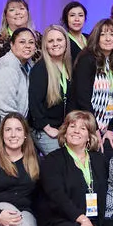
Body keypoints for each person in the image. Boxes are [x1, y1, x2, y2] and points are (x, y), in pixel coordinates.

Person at [71, 19, 113, 153]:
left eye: (112, 34)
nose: (108, 39)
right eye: (103, 34)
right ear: (96, 37)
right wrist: (94, 129)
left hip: (104, 128)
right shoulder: (87, 60)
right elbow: (83, 98)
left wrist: (109, 130)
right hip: (85, 126)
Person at [29, 26, 73, 154]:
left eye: (59, 40)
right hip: (44, 129)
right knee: (59, 159)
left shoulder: (69, 67)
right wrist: (47, 128)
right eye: (50, 41)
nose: (55, 44)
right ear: (45, 45)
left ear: (66, 42)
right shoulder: (40, 69)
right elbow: (34, 103)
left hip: (62, 128)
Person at [0, 0, 41, 67]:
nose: (17, 13)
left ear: (28, 14)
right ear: (6, 16)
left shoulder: (38, 37)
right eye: (12, 10)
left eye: (21, 8)